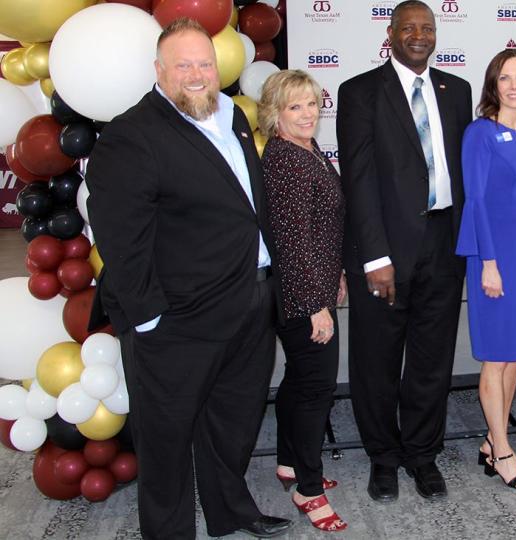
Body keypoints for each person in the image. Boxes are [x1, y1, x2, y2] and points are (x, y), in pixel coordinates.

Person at [85, 18, 290, 539]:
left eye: (205, 63)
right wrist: (149, 319)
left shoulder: (232, 116)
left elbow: (245, 207)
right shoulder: (130, 136)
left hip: (249, 301)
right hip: (177, 319)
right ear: (159, 70)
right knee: (166, 441)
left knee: (234, 422)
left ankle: (231, 513)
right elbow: (120, 240)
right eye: (184, 66)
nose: (198, 75)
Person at [335, 0, 472, 501]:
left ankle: (422, 454)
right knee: (376, 360)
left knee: (432, 361)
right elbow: (360, 177)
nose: (419, 35)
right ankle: (384, 458)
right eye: (409, 27)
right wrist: (375, 256)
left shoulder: (455, 90)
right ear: (390, 34)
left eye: (427, 28)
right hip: (385, 250)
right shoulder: (359, 92)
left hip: (444, 244)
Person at [259, 69, 347, 531]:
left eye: (312, 103)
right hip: (300, 298)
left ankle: (290, 463)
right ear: (275, 114)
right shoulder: (287, 161)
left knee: (297, 382)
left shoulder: (303, 148)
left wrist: (336, 277)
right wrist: (317, 304)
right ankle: (308, 489)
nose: (308, 113)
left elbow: (319, 230)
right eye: (295, 106)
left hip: (309, 288)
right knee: (316, 390)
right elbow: (293, 243)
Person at [455, 49, 516, 491]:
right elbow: (475, 201)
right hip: (494, 256)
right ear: (493, 85)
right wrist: (488, 263)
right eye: (505, 77)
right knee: (495, 357)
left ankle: (495, 441)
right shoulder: (480, 133)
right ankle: (503, 452)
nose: (514, 85)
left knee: (515, 355)